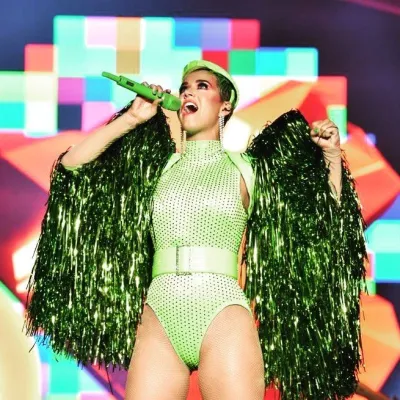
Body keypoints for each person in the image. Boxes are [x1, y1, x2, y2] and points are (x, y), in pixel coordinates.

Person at [25, 60, 367, 400]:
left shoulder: (248, 168)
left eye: (202, 86)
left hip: (222, 315)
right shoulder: (157, 168)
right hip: (159, 317)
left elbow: (323, 221)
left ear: (225, 105)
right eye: (184, 87)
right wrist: (132, 118)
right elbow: (72, 166)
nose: (188, 92)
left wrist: (331, 156)